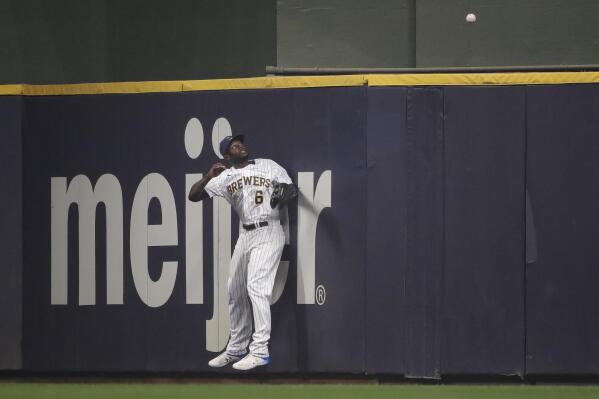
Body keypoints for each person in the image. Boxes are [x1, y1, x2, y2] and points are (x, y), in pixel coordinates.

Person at [188, 134, 298, 371]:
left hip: (268, 230)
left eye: (240, 142)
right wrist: (208, 176)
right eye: (233, 145)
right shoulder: (225, 177)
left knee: (257, 287)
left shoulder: (269, 165)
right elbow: (193, 196)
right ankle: (237, 347)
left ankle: (259, 350)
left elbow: (290, 189)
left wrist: (283, 193)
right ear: (227, 155)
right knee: (234, 289)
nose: (240, 145)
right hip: (245, 235)